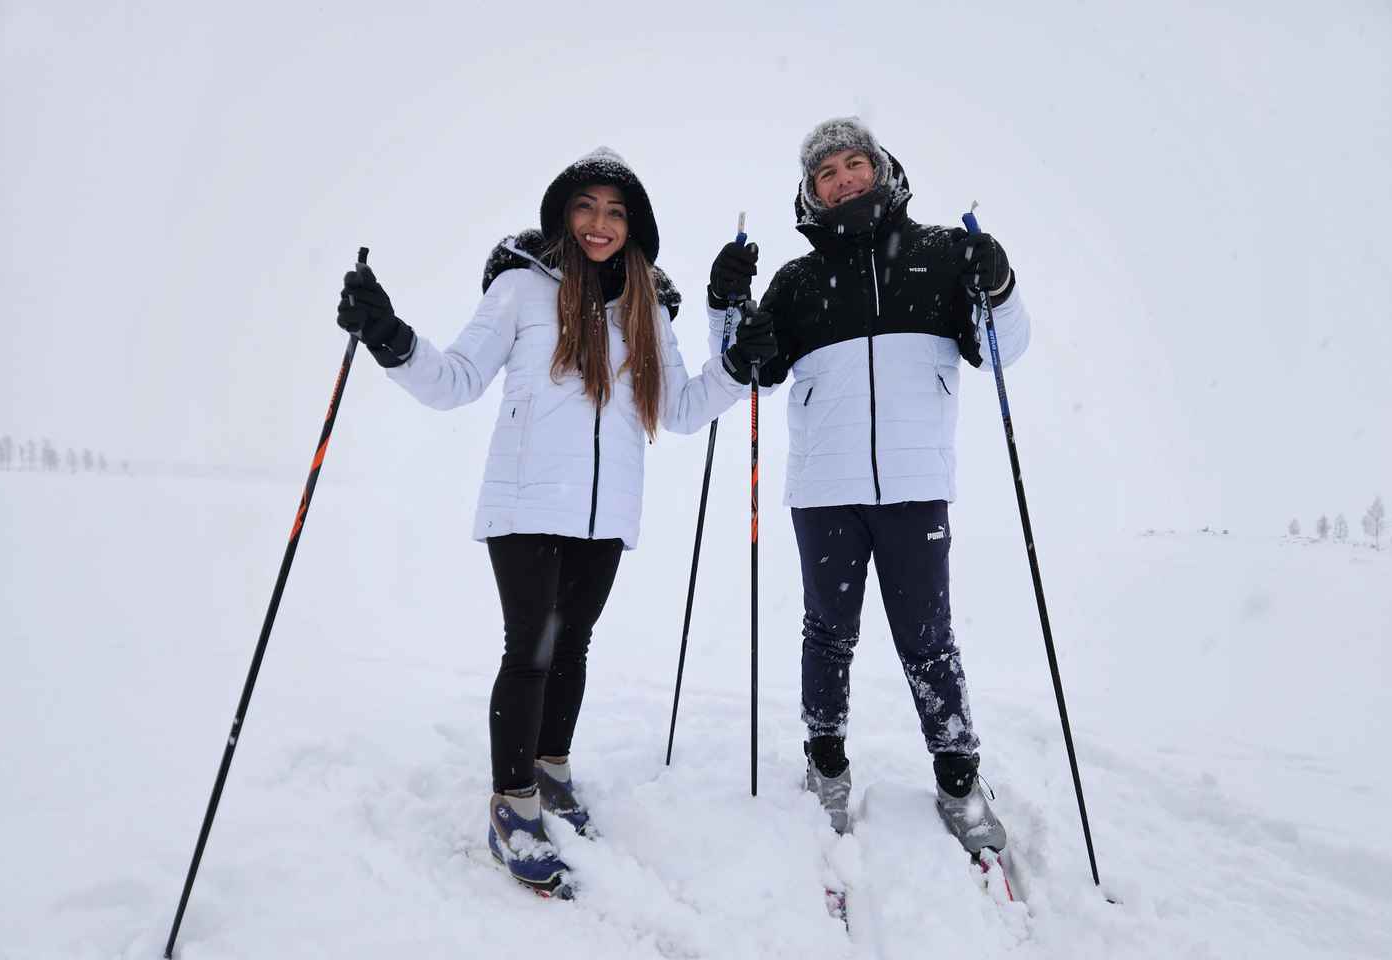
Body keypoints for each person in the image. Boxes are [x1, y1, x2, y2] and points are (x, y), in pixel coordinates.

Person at [335, 148, 777, 898]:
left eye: (615, 212)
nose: (599, 224)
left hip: (606, 513)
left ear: (633, 227)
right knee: (532, 650)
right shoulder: (519, 289)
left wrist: (738, 369)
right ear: (562, 217)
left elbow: (679, 408)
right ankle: (512, 803)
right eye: (586, 208)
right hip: (527, 504)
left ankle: (550, 768)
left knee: (572, 645)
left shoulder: (647, 303)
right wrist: (389, 335)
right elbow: (455, 381)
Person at [707, 118, 1030, 853]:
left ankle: (957, 777)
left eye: (856, 163)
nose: (844, 178)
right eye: (827, 173)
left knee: (928, 637)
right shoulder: (794, 281)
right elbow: (747, 368)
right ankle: (826, 764)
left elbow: (1004, 351)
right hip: (826, 491)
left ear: (882, 170)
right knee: (828, 634)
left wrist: (1001, 286)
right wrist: (726, 304)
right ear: (809, 191)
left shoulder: (945, 255)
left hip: (915, 486)